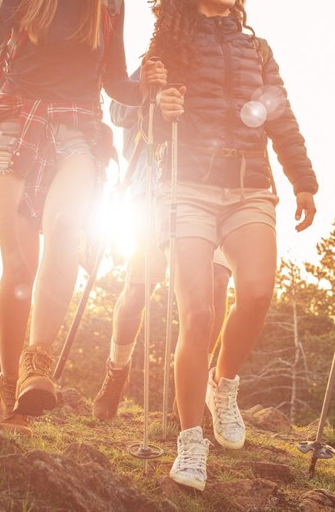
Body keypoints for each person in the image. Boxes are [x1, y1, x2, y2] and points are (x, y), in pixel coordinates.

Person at [0, 0, 165, 435]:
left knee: (68, 224)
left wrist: (151, 88)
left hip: (78, 127)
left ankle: (36, 365)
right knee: (18, 266)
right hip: (14, 123)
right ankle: (6, 385)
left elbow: (116, 82)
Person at [153, 0, 318, 490]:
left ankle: (223, 384)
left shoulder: (258, 50)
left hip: (250, 186)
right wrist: (160, 106)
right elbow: (139, 124)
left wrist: (304, 181)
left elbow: (281, 117)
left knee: (256, 292)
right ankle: (190, 442)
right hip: (189, 189)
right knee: (197, 314)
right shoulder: (168, 44)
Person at [91, 94, 232, 421]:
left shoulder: (221, 54)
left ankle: (191, 386)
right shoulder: (154, 61)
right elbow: (118, 109)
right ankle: (117, 371)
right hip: (152, 194)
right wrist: (153, 93)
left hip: (211, 190)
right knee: (137, 290)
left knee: (217, 283)